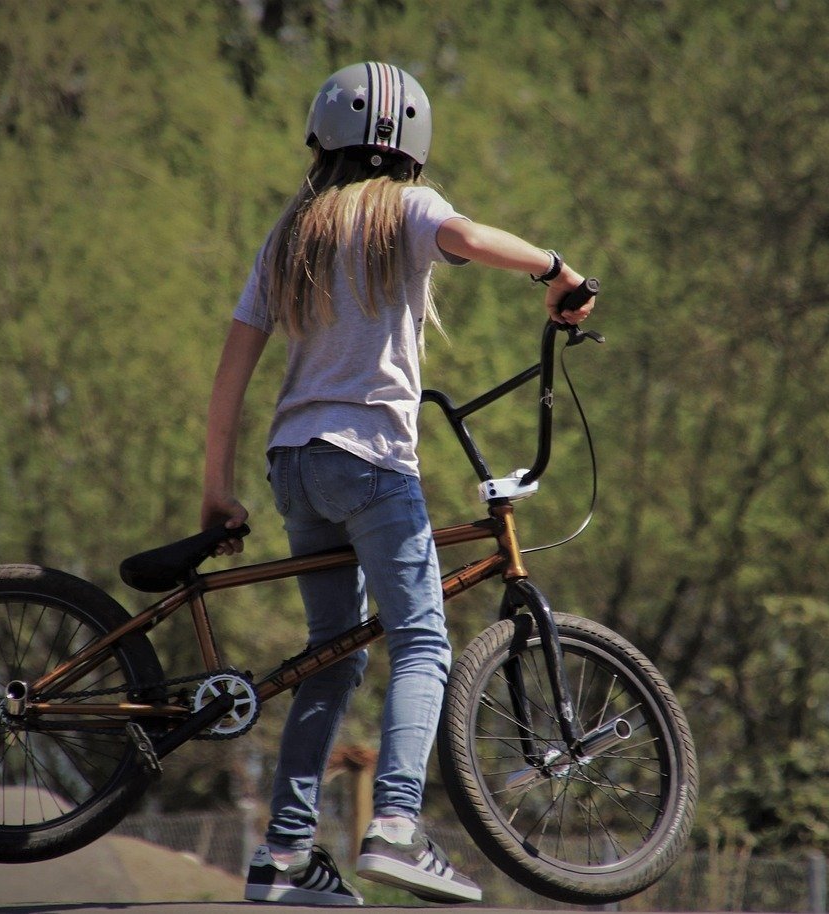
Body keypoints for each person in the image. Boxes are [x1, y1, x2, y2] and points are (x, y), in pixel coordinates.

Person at [200, 61, 595, 907]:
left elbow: (232, 373)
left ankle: (284, 858)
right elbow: (475, 239)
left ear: (323, 140)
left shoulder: (292, 233)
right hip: (371, 461)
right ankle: (396, 827)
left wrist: (215, 488)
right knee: (420, 642)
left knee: (332, 659)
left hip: (294, 469)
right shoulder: (407, 209)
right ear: (411, 148)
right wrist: (558, 272)